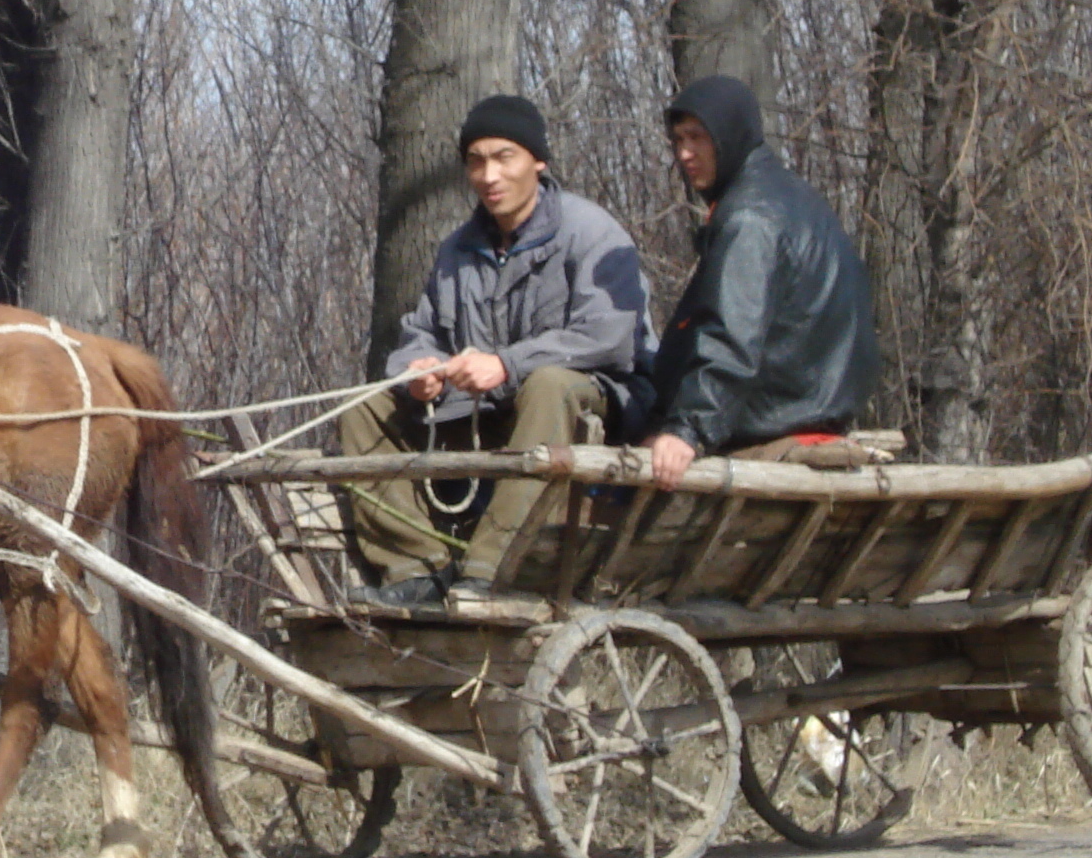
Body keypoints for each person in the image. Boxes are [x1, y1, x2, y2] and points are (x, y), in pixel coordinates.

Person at [342, 95, 655, 605]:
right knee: (367, 405)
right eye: (476, 160)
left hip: (600, 406)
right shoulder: (456, 250)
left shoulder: (590, 232)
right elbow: (420, 332)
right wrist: (416, 368)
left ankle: (492, 565)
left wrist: (506, 365)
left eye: (504, 157)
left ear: (538, 161)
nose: (489, 175)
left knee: (548, 382)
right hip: (494, 414)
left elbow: (608, 338)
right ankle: (415, 567)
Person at [640, 74, 879, 490]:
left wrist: (687, 429)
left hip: (778, 418)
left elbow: (732, 336)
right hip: (812, 406)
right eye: (678, 140)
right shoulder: (789, 196)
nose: (685, 153)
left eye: (698, 137)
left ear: (729, 133)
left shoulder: (750, 219)